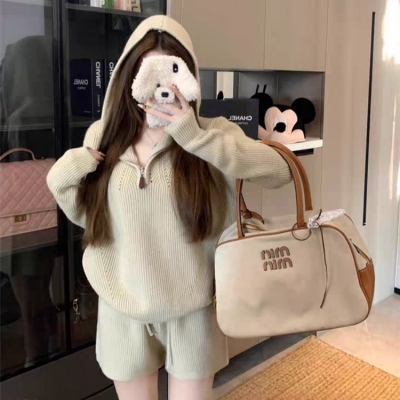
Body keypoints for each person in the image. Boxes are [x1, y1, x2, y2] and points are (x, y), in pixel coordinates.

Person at [47, 15, 291, 400]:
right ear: (129, 77)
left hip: (194, 311)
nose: (161, 88)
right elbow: (89, 218)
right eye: (150, 74)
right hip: (123, 309)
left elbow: (281, 172)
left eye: (172, 72)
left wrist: (193, 138)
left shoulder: (214, 133)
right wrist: (63, 175)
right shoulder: (104, 137)